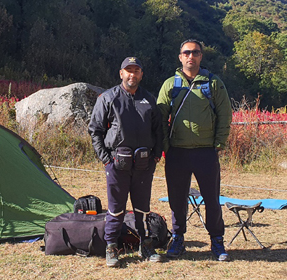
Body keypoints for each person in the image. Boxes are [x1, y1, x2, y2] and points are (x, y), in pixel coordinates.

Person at [157, 39, 232, 261]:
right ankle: (178, 239)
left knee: (211, 199)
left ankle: (217, 241)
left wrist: (218, 144)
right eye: (187, 52)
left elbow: (225, 115)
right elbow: (160, 118)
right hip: (177, 152)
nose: (191, 56)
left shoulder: (213, 83)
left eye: (195, 52)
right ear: (180, 57)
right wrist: (166, 147)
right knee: (177, 199)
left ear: (201, 56)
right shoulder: (170, 84)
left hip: (206, 152)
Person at [88, 57, 163, 267]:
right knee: (116, 208)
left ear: (141, 74)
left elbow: (158, 130)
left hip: (144, 164)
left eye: (136, 70)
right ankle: (111, 248)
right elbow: (95, 130)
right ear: (121, 73)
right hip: (116, 164)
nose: (132, 74)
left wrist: (157, 154)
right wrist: (105, 158)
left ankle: (146, 246)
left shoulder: (149, 99)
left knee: (142, 208)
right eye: (128, 70)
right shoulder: (108, 97)